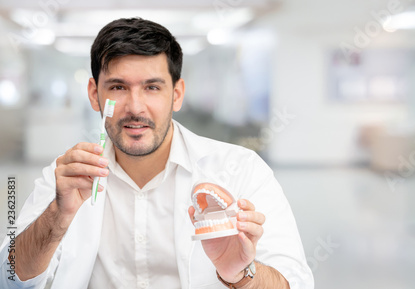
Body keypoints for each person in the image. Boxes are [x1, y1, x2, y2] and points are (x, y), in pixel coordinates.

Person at [0, 18, 313, 289]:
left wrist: (241, 274)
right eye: (118, 87)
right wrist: (57, 216)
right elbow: (9, 276)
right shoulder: (65, 179)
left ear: (176, 95)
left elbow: (295, 281)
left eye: (152, 87)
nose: (135, 108)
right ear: (95, 95)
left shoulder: (241, 170)